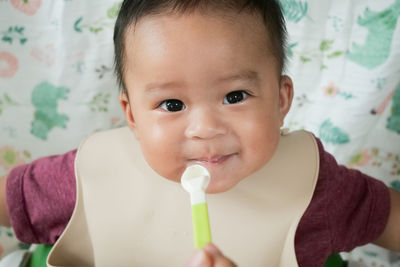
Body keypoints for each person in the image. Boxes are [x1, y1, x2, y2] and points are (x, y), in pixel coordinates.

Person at [1, 0, 400, 266]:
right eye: (172, 105)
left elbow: (388, 220)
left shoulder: (316, 187)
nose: (205, 129)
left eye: (235, 95)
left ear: (281, 100)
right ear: (133, 115)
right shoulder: (87, 177)